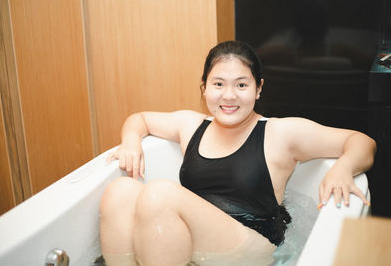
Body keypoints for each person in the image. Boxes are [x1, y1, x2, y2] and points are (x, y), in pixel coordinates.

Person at [100, 41, 376, 266]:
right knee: (120, 191)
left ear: (258, 89)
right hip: (197, 239)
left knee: (159, 193)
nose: (228, 96)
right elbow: (140, 119)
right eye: (218, 84)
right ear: (204, 88)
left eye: (241, 85)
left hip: (251, 246)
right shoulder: (191, 124)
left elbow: (361, 141)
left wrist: (343, 167)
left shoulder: (280, 133)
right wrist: (131, 141)